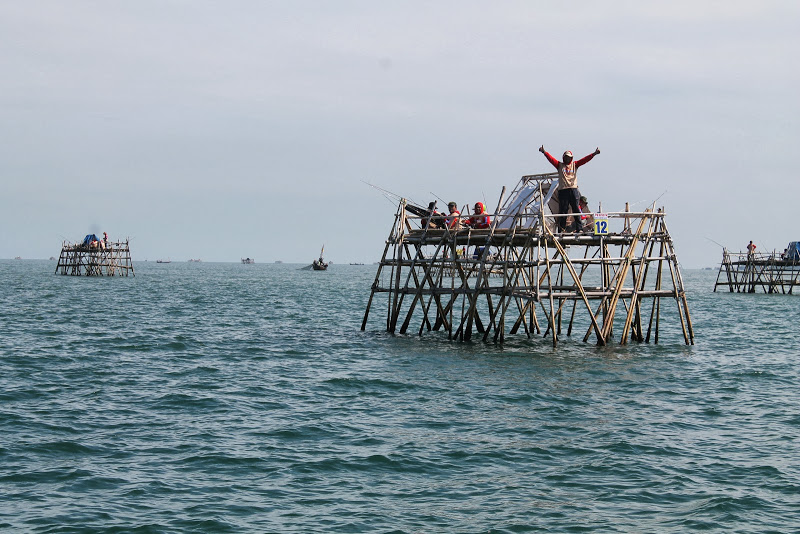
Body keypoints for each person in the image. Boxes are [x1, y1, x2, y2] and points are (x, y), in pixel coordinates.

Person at [539, 145, 600, 232]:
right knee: (563, 210)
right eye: (566, 157)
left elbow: (584, 160)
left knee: (576, 208)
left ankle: (579, 228)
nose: (567, 159)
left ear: (571, 158)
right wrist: (544, 152)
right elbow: (551, 159)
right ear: (564, 158)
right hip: (563, 190)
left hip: (573, 189)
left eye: (569, 157)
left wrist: (594, 154)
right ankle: (561, 229)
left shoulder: (575, 165)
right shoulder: (560, 165)